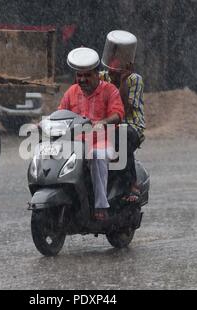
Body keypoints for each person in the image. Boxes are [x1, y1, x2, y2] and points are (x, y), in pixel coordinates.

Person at [58, 47, 125, 221]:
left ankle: (101, 205)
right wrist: (41, 125)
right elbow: (59, 114)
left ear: (97, 74)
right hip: (75, 145)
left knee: (96, 156)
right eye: (79, 76)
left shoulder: (110, 90)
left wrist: (103, 123)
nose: (82, 79)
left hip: (103, 144)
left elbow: (118, 114)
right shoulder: (71, 92)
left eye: (87, 75)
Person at [100, 50, 145, 203]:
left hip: (131, 124)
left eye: (116, 74)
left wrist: (124, 81)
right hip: (107, 126)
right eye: (111, 73)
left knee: (121, 135)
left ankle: (131, 183)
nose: (112, 77)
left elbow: (123, 108)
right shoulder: (102, 77)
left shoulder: (134, 80)